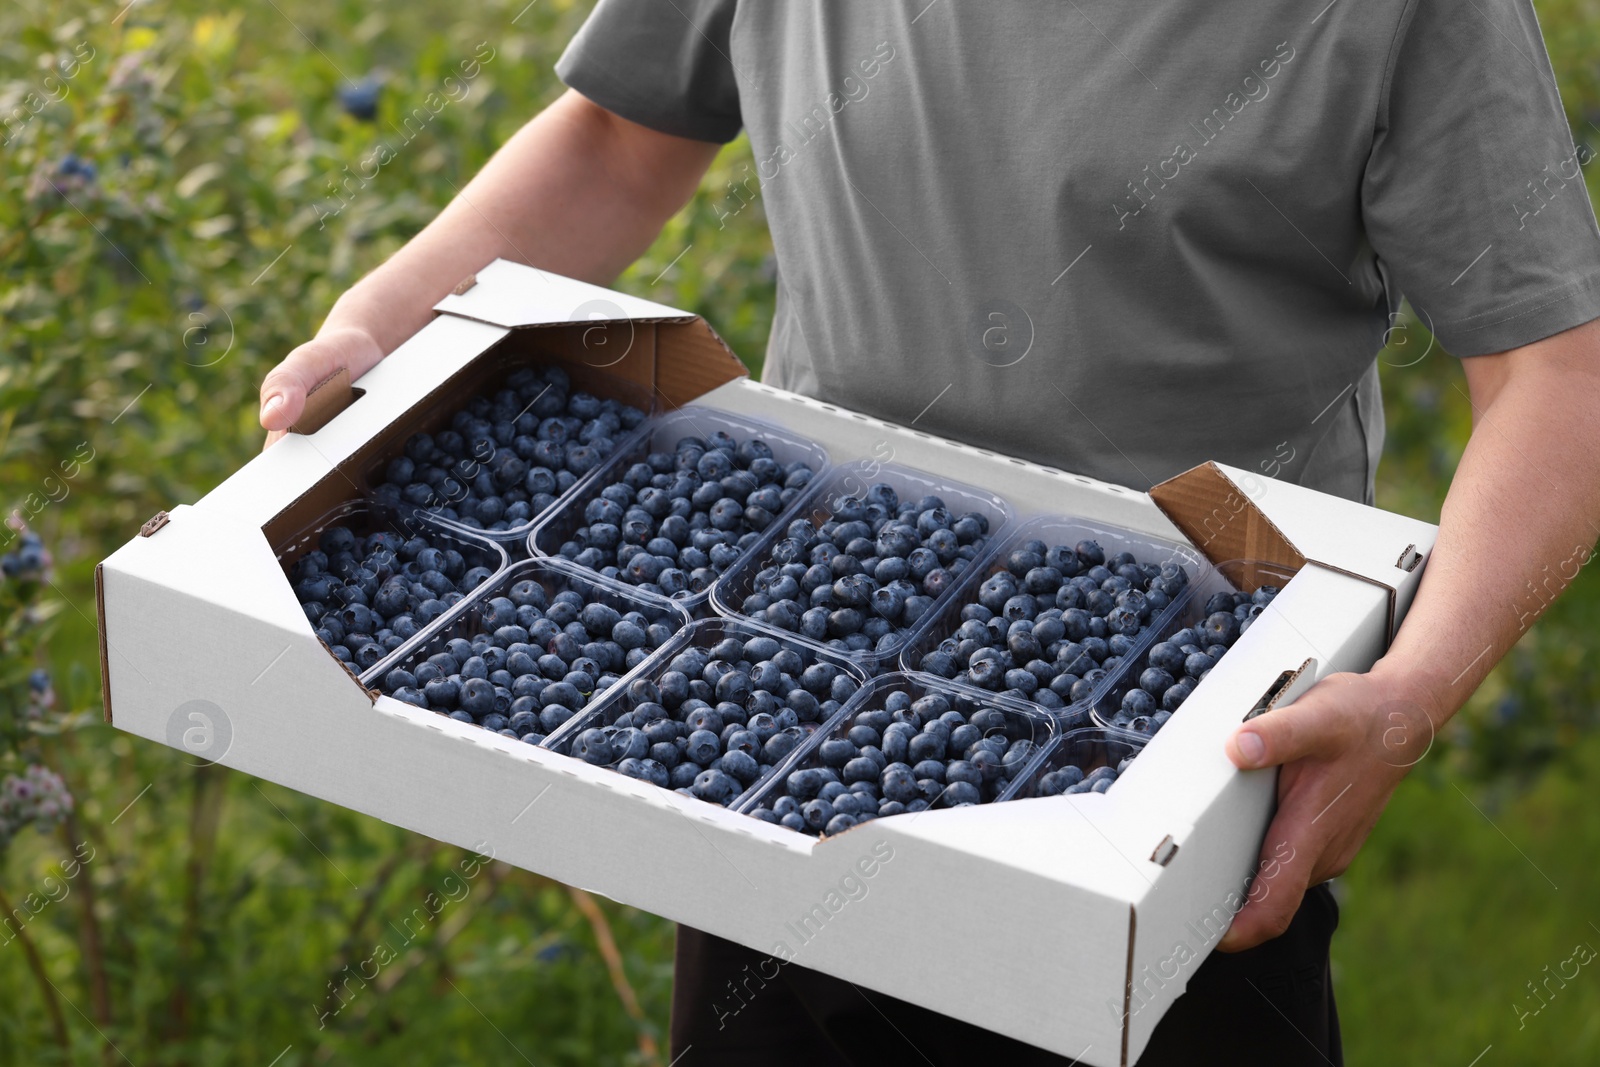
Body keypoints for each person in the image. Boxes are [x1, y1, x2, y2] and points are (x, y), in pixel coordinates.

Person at [258, 2, 1600, 1062]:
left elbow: (1557, 376)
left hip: (1192, 769)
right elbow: (615, 139)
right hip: (784, 698)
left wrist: (1412, 695)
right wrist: (382, 329)